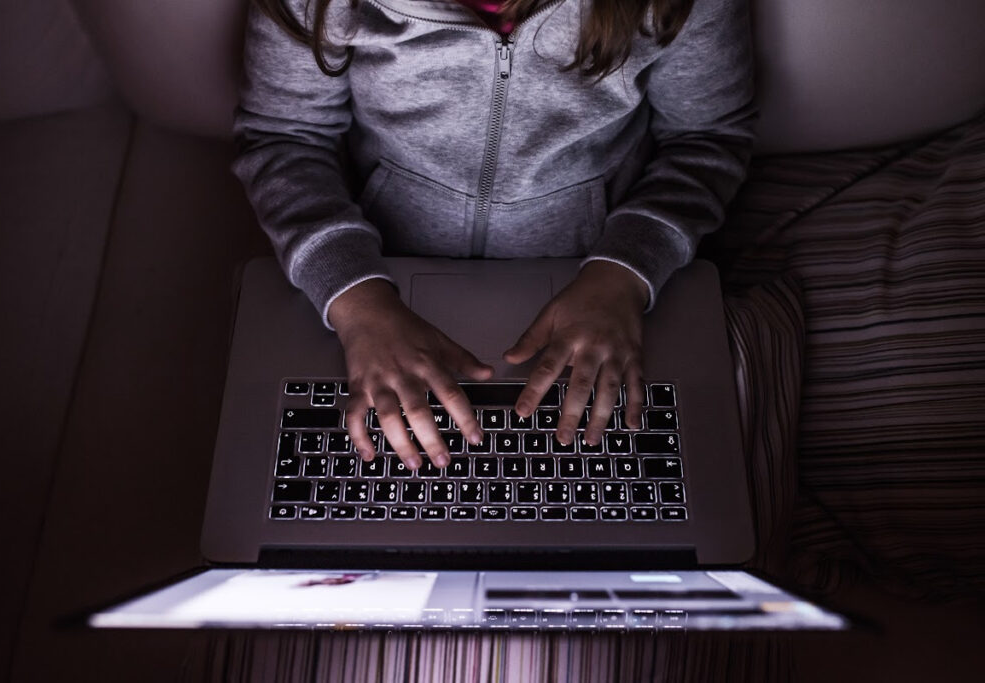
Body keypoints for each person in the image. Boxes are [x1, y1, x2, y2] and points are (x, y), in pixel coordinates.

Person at [233, 0, 756, 472]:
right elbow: (286, 137)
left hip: (600, 288)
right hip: (374, 287)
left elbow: (705, 138)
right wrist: (354, 298)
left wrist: (625, 272)